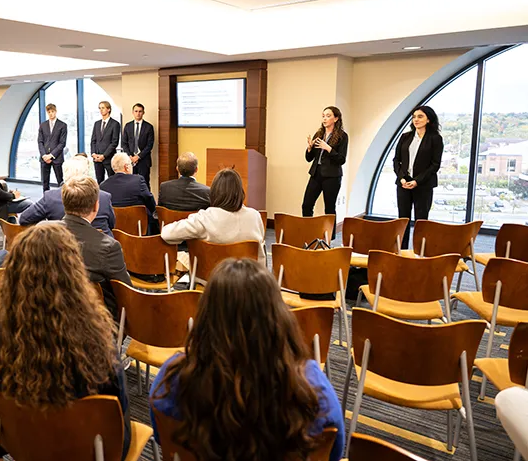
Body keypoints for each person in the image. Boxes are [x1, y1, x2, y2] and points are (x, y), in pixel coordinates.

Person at [150, 258, 344, 461]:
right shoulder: (313, 389)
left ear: (206, 317)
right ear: (278, 317)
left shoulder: (172, 380)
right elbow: (333, 451)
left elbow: (163, 438)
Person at [0, 223, 131, 459]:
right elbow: (119, 407)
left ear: (13, 273)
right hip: (92, 449)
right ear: (74, 272)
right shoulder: (98, 341)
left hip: (26, 442)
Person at [61, 176, 131, 317]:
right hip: (95, 323)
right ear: (96, 206)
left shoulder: (42, 234)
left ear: (64, 202)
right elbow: (126, 293)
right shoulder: (108, 247)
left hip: (50, 318)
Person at [161, 168, 265, 262]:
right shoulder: (255, 216)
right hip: (249, 280)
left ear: (214, 192)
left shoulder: (204, 218)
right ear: (240, 191)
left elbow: (167, 234)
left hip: (211, 279)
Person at [19, 154, 116, 235]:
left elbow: (24, 219)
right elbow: (112, 225)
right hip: (102, 252)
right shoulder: (104, 197)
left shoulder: (50, 197)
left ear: (64, 174)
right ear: (86, 174)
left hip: (62, 252)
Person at [393, 105, 444, 250]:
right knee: (403, 219)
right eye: (414, 117)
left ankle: (419, 252)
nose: (416, 119)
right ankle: (401, 251)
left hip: (423, 184)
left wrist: (416, 181)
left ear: (428, 119)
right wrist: (402, 178)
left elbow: (435, 165)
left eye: (420, 116)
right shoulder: (405, 137)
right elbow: (396, 160)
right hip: (403, 183)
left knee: (421, 220)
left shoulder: (435, 139)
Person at [302, 106, 348, 240]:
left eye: (328, 116)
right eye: (323, 116)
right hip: (316, 174)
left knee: (329, 207)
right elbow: (309, 158)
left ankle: (329, 237)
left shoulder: (342, 136)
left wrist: (328, 148)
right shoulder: (319, 134)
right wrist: (309, 148)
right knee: (307, 204)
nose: (325, 118)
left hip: (332, 176)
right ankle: (307, 232)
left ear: (336, 118)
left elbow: (341, 159)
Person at [100, 153, 157, 233]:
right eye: (131, 164)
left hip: (114, 230)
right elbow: (149, 201)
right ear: (126, 167)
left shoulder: (103, 186)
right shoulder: (138, 180)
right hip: (138, 230)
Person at [121, 103, 154, 188]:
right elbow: (124, 143)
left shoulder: (149, 127)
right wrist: (131, 156)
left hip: (143, 160)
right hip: (130, 160)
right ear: (133, 112)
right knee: (130, 184)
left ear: (143, 113)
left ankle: (146, 201)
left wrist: (138, 157)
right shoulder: (128, 126)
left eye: (140, 111)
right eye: (136, 111)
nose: (138, 113)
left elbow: (149, 145)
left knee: (145, 183)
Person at [37, 103, 68, 192]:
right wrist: (44, 155)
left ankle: (62, 201)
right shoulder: (43, 125)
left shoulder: (62, 125)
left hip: (56, 157)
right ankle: (46, 200)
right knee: (45, 182)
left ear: (56, 111)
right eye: (49, 112)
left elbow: (62, 143)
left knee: (60, 181)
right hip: (44, 158)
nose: (51, 114)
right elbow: (40, 142)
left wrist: (51, 155)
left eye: (52, 111)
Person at [90, 101, 121, 183]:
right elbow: (93, 140)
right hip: (97, 159)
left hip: (108, 158)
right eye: (99, 108)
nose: (101, 110)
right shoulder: (97, 124)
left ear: (108, 109)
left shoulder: (115, 124)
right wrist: (93, 154)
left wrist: (104, 156)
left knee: (112, 182)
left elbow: (114, 142)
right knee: (99, 182)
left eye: (103, 108)